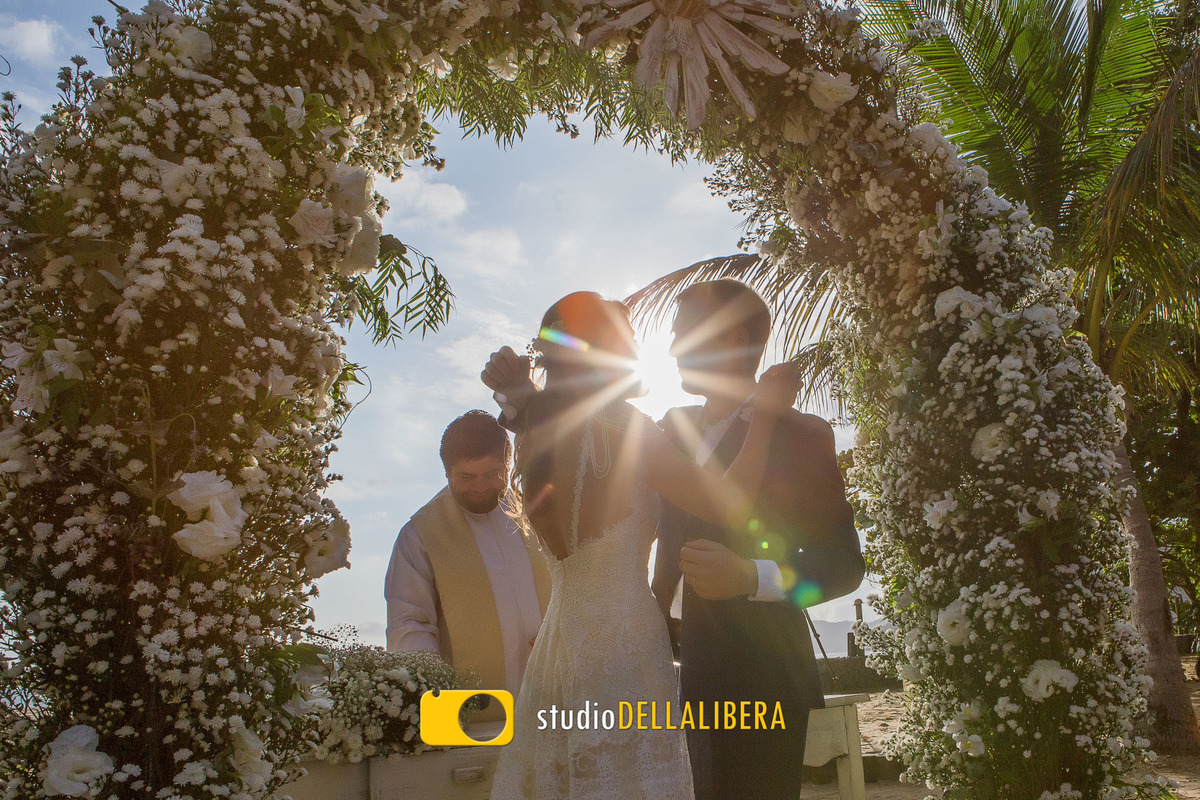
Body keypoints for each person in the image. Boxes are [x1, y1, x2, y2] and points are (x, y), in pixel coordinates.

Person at [486, 291, 800, 800]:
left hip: (559, 649)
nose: (640, 345)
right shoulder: (623, 427)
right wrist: (763, 416)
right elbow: (729, 503)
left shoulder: (539, 430)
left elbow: (535, 408)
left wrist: (519, 392)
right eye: (628, 336)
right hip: (624, 651)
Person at [655, 279, 865, 800]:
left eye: (684, 333)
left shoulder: (802, 435)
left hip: (761, 679)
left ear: (732, 340)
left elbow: (843, 563)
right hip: (679, 674)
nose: (672, 349)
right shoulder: (671, 428)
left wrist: (753, 576)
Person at [384, 410, 552, 711]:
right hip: (471, 713)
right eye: (466, 477)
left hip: (552, 699)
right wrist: (436, 692)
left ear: (509, 465)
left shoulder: (537, 512)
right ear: (447, 472)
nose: (481, 486)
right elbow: (410, 623)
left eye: (493, 475)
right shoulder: (419, 536)